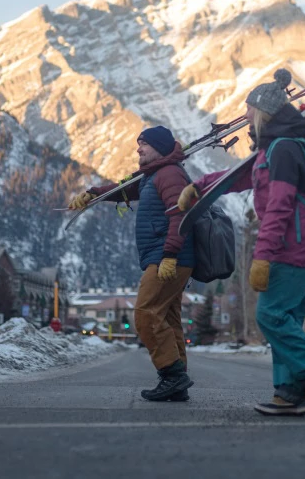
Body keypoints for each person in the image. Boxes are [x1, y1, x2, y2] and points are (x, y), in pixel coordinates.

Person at [177, 69, 305, 416]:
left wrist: (262, 256)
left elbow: (280, 207)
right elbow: (239, 176)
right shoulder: (275, 147)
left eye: (250, 108)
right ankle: (289, 391)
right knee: (286, 319)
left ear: (264, 111)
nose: (246, 115)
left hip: (291, 248)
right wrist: (200, 186)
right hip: (298, 246)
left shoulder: (283, 149)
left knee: (270, 315)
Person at [68, 125, 195, 402]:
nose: (138, 149)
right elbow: (123, 188)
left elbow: (180, 215)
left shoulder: (170, 174)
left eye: (144, 144)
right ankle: (177, 382)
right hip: (164, 257)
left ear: (159, 148)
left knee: (145, 313)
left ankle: (172, 375)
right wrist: (93, 194)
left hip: (168, 258)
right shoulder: (154, 175)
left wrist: (170, 255)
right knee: (168, 318)